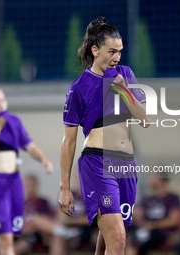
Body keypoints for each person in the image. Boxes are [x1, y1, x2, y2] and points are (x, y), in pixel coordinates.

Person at [58, 16, 150, 255]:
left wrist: (123, 90)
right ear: (95, 50)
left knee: (108, 242)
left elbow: (145, 119)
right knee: (118, 238)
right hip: (97, 163)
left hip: (125, 166)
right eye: (111, 51)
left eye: (119, 52)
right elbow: (69, 141)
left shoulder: (125, 74)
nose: (116, 58)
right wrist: (65, 187)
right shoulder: (78, 88)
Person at [0, 85, 53, 255]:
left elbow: (29, 146)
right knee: (5, 239)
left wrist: (43, 159)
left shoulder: (14, 122)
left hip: (13, 183)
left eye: (3, 100)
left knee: (8, 237)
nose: (1, 105)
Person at [126, 173, 180, 255]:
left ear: (162, 179)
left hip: (161, 233)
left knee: (133, 239)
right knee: (127, 230)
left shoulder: (172, 198)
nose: (150, 180)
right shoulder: (147, 199)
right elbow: (137, 214)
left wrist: (153, 225)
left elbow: (174, 220)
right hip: (145, 230)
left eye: (153, 177)